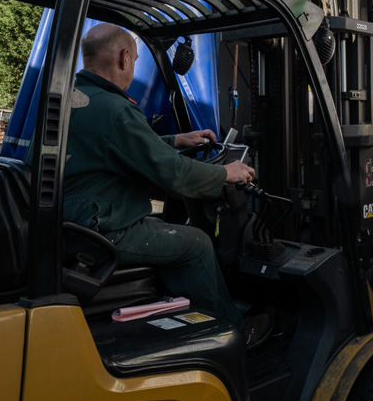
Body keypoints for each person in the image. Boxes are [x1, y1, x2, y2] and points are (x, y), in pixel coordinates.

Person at [63, 22, 272, 347]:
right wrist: (226, 173)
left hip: (76, 220)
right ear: (123, 58)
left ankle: (180, 315)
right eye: (134, 60)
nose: (132, 66)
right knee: (196, 242)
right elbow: (173, 174)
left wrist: (175, 140)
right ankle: (233, 334)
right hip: (100, 231)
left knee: (168, 228)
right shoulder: (116, 110)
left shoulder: (75, 99)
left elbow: (115, 147)